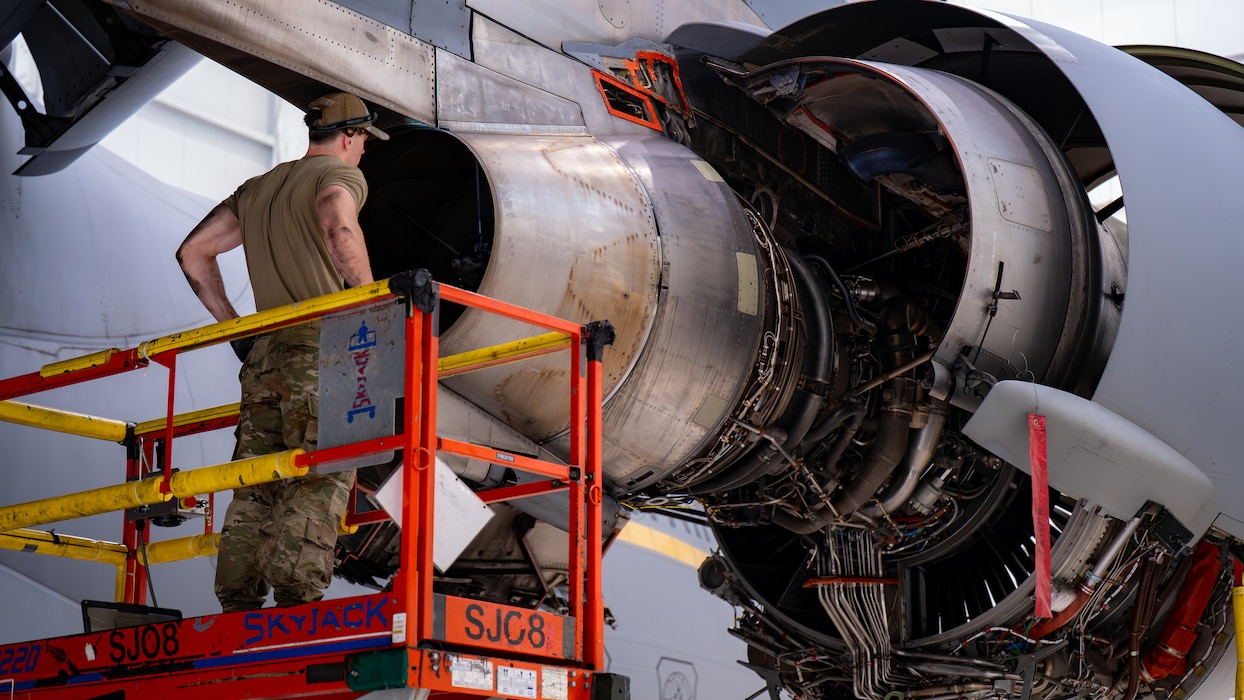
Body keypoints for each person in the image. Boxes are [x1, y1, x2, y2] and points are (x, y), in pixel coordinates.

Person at [175, 91, 389, 612]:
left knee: (255, 479)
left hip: (265, 353)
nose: (362, 153)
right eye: (363, 141)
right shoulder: (339, 177)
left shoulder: (259, 188)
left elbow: (192, 252)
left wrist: (235, 328)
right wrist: (373, 306)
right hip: (328, 348)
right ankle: (297, 596)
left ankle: (238, 597)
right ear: (348, 137)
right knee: (322, 470)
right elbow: (338, 222)